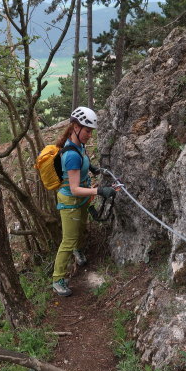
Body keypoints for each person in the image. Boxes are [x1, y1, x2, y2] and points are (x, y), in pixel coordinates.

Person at [52, 107, 116, 297]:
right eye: (87, 131)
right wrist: (99, 191)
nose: (89, 135)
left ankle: (78, 251)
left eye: (91, 131)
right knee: (68, 239)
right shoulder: (71, 154)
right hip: (71, 201)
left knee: (80, 228)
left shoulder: (78, 146)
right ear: (75, 127)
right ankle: (57, 279)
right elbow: (74, 188)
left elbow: (82, 161)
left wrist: (93, 169)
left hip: (79, 201)